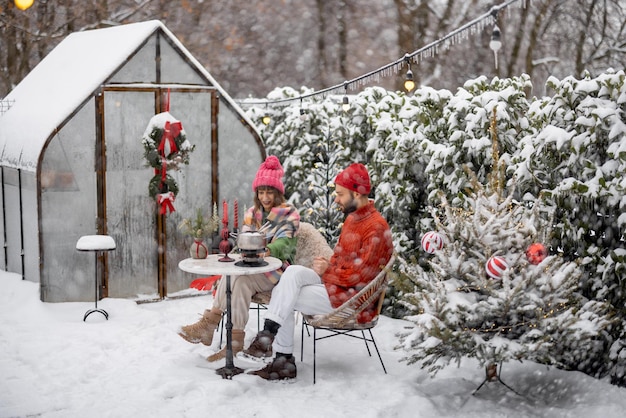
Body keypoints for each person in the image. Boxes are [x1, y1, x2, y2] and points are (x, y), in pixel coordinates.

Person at [242, 162, 393, 381]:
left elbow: (362, 278)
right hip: (334, 286)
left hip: (352, 298)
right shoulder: (353, 219)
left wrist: (328, 271)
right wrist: (328, 267)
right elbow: (344, 264)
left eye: (340, 194)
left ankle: (279, 355)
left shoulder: (375, 227)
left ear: (357, 193)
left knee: (284, 293)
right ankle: (269, 339)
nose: (336, 199)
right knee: (291, 273)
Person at [178, 155, 300, 362]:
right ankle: (217, 330)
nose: (265, 197)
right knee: (231, 276)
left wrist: (268, 250)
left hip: (277, 270)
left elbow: (286, 244)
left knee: (240, 281)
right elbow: (244, 239)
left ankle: (225, 335)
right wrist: (241, 250)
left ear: (278, 193)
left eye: (270, 192)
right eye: (261, 192)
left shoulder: (289, 214)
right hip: (251, 266)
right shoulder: (252, 213)